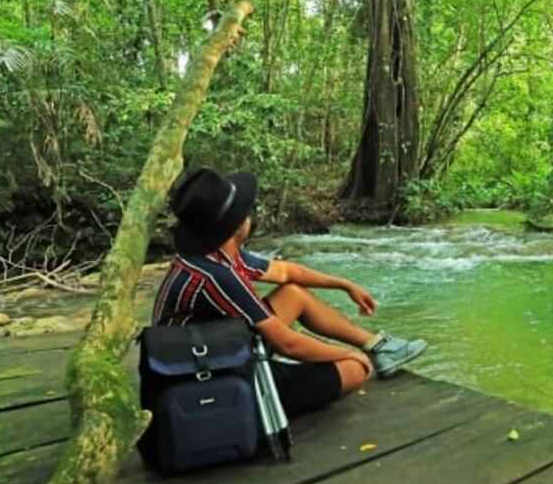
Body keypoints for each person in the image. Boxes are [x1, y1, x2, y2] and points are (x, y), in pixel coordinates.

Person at [152, 168, 427, 415]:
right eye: (245, 212)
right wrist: (345, 355)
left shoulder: (219, 255)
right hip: (209, 382)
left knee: (293, 293)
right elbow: (288, 344)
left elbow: (287, 273)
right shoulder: (217, 276)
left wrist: (345, 284)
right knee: (357, 369)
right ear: (236, 225)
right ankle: (360, 359)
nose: (250, 216)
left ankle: (378, 346)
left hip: (216, 350)